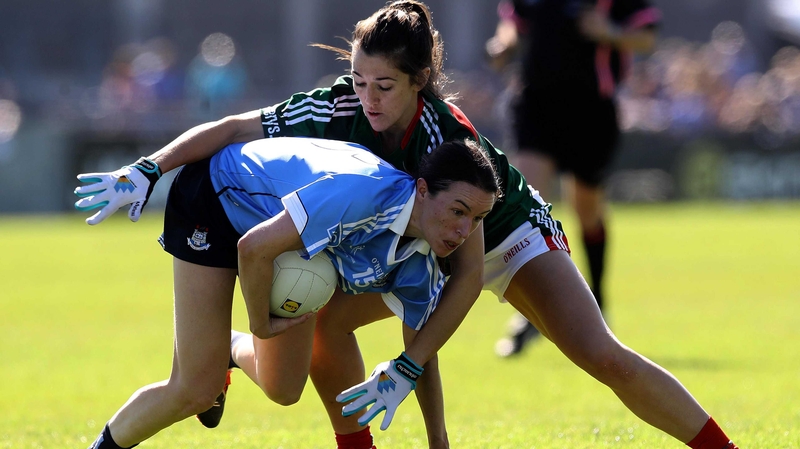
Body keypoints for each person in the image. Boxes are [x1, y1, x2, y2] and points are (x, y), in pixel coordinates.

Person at [78, 2, 739, 449]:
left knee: (601, 355)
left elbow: (465, 272)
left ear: (420, 82)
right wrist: (149, 167)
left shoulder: (438, 144)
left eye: (384, 86)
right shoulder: (340, 105)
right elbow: (230, 128)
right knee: (328, 323)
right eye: (359, 80)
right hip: (423, 226)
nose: (366, 98)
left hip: (501, 229)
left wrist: (410, 372)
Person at [75, 136, 499, 449]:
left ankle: (227, 348)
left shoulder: (420, 264)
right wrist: (261, 322)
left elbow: (421, 354)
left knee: (284, 390)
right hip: (214, 198)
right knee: (194, 389)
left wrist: (439, 444)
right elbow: (252, 248)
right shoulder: (361, 195)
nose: (465, 231)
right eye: (458, 211)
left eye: (477, 219)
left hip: (280, 239)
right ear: (422, 190)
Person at [486, 0, 662, 357]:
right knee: (526, 204)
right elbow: (515, 24)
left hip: (591, 110)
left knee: (587, 210)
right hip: (535, 104)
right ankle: (534, 312)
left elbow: (646, 39)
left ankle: (597, 301)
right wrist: (503, 44)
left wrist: (609, 32)